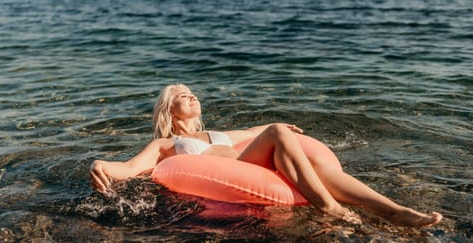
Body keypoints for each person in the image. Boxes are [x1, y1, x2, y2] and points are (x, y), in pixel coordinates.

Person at [90, 84, 443, 228]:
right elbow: (131, 167)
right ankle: (328, 207)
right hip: (231, 172)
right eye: (184, 95)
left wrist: (282, 129)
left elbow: (252, 133)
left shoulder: (218, 134)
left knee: (289, 141)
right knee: (276, 131)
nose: (193, 96)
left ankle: (393, 211)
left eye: (194, 93)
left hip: (248, 164)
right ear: (169, 109)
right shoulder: (166, 145)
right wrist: (102, 164)